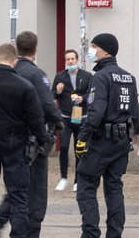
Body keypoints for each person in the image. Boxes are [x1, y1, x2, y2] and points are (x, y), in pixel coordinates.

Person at [0, 42, 51, 238]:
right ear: (14, 62)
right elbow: (35, 118)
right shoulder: (25, 87)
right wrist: (43, 139)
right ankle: (18, 234)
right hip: (15, 146)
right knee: (18, 197)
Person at [0, 30, 60, 238]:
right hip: (32, 142)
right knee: (34, 192)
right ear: (35, 50)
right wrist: (58, 123)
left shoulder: (7, 72)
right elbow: (48, 106)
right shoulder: (35, 74)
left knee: (17, 186)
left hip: (6, 139)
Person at [74, 33, 139, 238]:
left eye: (94, 47)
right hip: (121, 142)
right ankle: (115, 234)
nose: (91, 51)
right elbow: (136, 114)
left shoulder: (100, 77)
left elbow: (96, 112)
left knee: (86, 183)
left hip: (100, 141)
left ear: (104, 50)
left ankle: (90, 233)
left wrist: (82, 138)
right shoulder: (129, 77)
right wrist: (128, 138)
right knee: (114, 187)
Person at [52, 48, 92, 192]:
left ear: (77, 60)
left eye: (72, 59)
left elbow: (92, 95)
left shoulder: (87, 76)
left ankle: (78, 180)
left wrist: (84, 98)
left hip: (81, 117)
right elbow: (52, 97)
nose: (70, 61)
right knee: (63, 147)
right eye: (67, 59)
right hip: (66, 118)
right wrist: (57, 91)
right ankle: (63, 178)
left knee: (79, 148)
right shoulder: (60, 76)